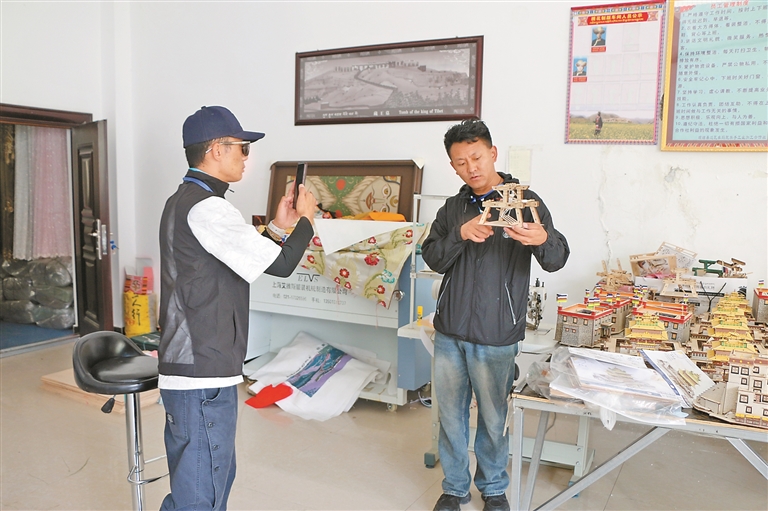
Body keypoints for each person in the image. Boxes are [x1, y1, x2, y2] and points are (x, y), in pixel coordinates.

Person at [157, 105, 317, 510]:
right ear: (216, 149)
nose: (247, 158)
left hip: (195, 363)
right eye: (242, 148)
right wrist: (306, 222)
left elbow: (243, 257)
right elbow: (281, 265)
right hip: (202, 369)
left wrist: (278, 227)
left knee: (200, 484)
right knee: (203, 494)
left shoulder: (186, 201)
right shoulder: (208, 208)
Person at [421, 119, 569, 511]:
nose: (471, 167)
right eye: (460, 162)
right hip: (450, 330)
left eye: (476, 157)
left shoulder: (525, 202)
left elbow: (556, 258)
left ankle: (493, 489)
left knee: (493, 417)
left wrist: (542, 238)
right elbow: (432, 257)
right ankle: (454, 488)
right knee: (450, 417)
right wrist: (460, 233)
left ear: (493, 154)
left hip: (497, 332)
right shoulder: (452, 208)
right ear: (453, 166)